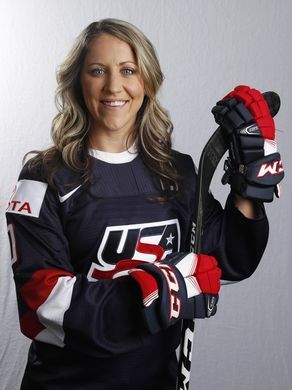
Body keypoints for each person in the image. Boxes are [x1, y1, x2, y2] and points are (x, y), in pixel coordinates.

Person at [6, 18, 284, 390]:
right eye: (97, 71)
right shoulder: (45, 176)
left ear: (147, 82)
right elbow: (42, 308)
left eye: (128, 70)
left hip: (158, 379)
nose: (113, 86)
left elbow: (231, 259)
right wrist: (153, 292)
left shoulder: (178, 172)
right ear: (78, 82)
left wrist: (250, 182)